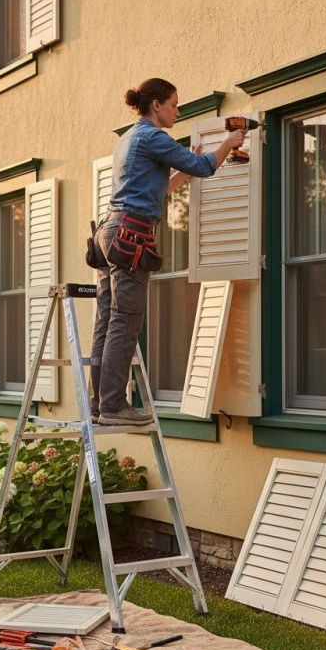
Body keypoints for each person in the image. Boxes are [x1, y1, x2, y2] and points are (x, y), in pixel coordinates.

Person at [90, 78, 246, 425]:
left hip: (110, 232)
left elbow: (155, 190)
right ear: (156, 105)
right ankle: (115, 406)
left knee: (107, 321)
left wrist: (181, 172)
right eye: (174, 104)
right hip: (131, 234)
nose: (178, 110)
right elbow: (206, 166)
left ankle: (99, 405)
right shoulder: (153, 136)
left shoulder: (128, 139)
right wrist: (228, 143)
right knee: (125, 321)